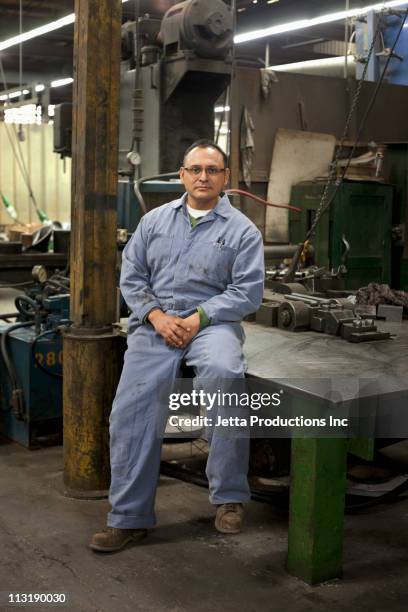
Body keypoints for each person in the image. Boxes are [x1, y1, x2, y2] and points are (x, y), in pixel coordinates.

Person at [90, 139, 264, 552]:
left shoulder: (242, 231)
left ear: (225, 178)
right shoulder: (153, 223)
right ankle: (128, 518)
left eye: (212, 170)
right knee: (131, 411)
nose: (203, 177)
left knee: (224, 377)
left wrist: (197, 318)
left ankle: (229, 499)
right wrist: (155, 316)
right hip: (156, 323)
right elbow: (132, 277)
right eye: (195, 169)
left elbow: (248, 292)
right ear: (182, 175)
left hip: (211, 324)